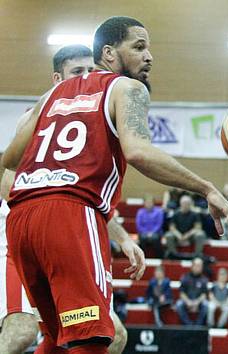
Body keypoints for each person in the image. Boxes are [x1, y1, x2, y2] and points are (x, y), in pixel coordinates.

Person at [2, 17, 228, 354]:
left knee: (57, 338)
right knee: (97, 339)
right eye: (139, 47)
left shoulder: (53, 94)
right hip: (70, 215)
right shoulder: (127, 88)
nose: (150, 57)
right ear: (110, 53)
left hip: (21, 221)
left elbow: (11, 159)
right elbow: (139, 152)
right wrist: (207, 189)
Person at [0, 44, 140, 354]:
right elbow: (8, 177)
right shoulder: (39, 113)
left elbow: (83, 193)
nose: (86, 77)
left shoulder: (96, 114)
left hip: (68, 226)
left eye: (91, 70)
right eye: (77, 72)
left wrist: (122, 239)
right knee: (23, 332)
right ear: (56, 78)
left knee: (109, 335)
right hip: (27, 232)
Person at [175, 257, 208, 326]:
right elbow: (182, 293)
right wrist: (188, 301)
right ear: (192, 266)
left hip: (198, 301)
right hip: (187, 300)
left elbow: (204, 295)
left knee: (206, 304)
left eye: (200, 266)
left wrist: (197, 302)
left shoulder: (204, 279)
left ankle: (198, 325)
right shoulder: (185, 277)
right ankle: (188, 324)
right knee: (179, 304)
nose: (198, 268)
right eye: (197, 265)